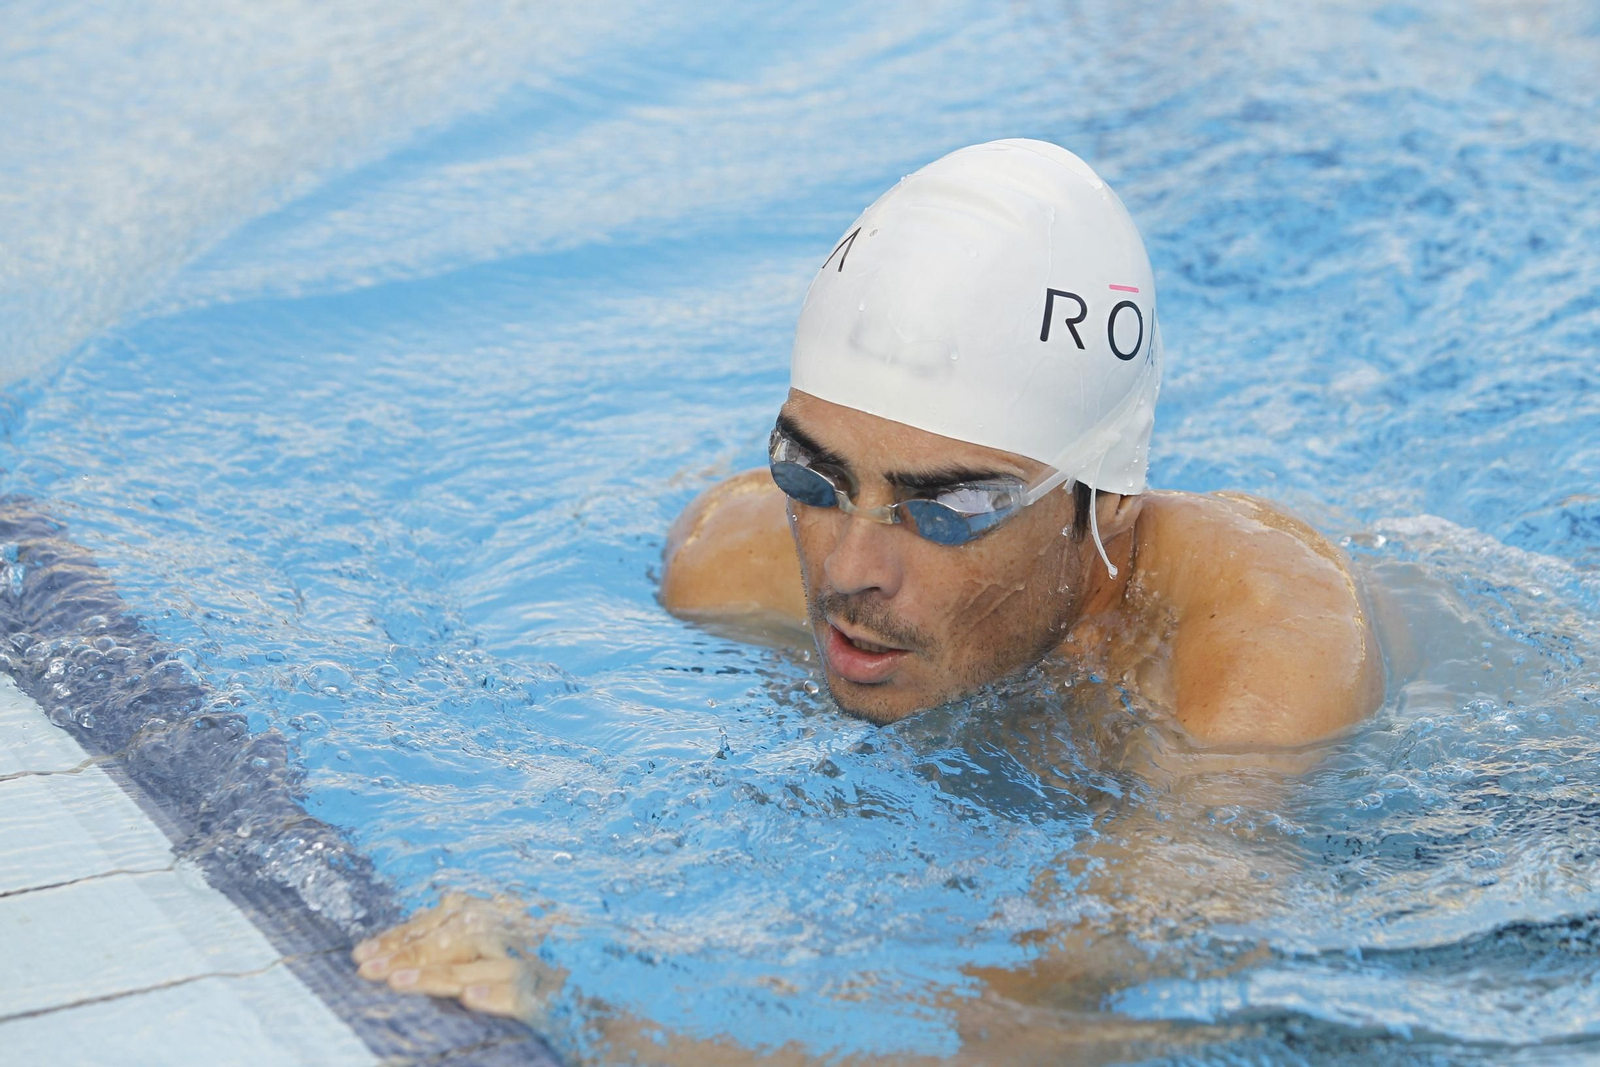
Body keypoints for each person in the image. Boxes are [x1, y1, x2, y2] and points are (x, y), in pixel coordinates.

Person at [353, 139, 1384, 1051]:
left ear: (1104, 506)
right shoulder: (732, 561)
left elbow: (1091, 995)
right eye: (815, 475)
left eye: (945, 508)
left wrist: (598, 1011)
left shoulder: (1258, 655)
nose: (849, 569)